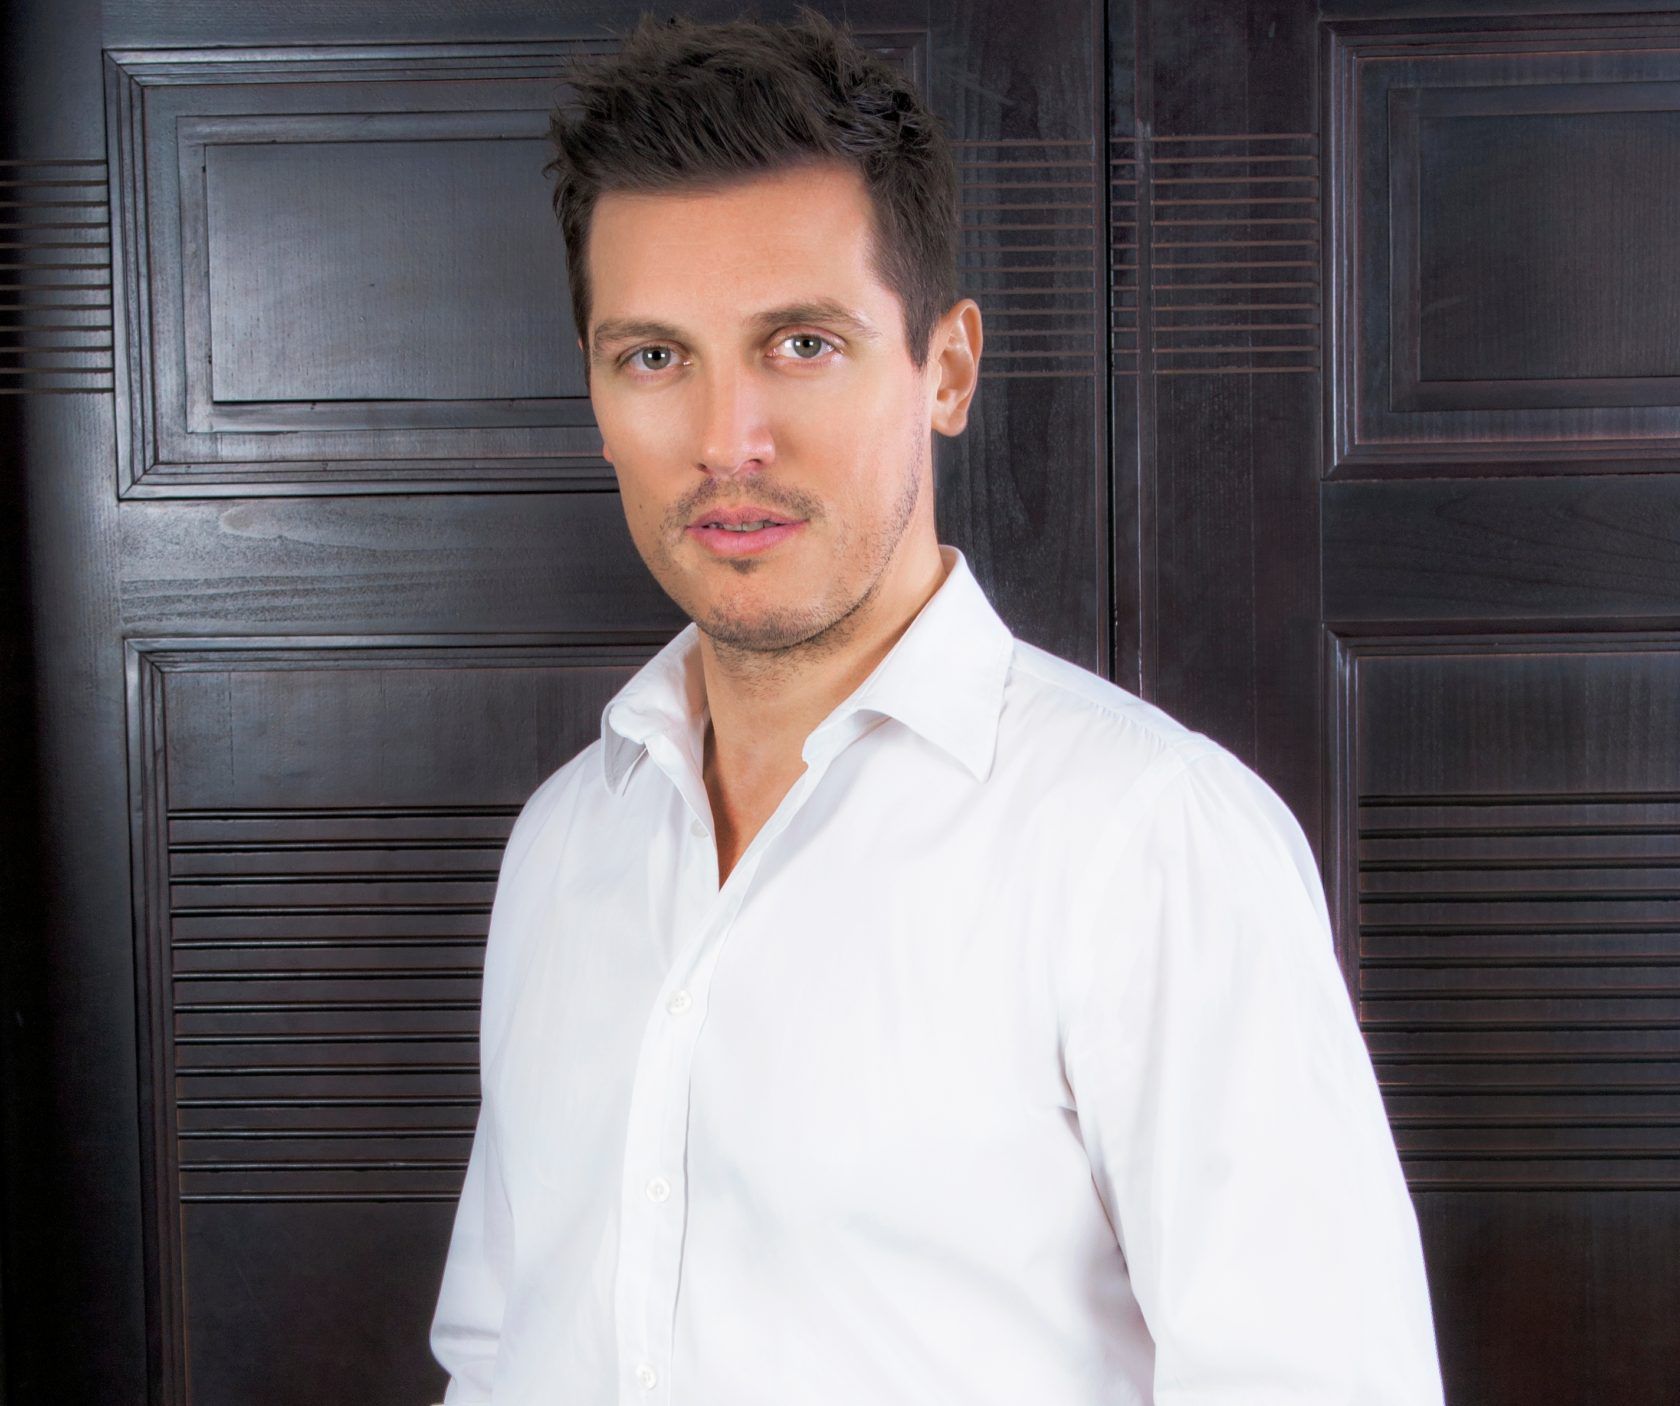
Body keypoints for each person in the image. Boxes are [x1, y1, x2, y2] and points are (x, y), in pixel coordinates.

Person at [428, 9, 1447, 1404]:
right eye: (654, 356)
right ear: (599, 396)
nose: (728, 441)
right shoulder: (564, 844)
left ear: (947, 369)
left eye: (801, 343)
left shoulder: (1150, 843)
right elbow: (500, 1355)